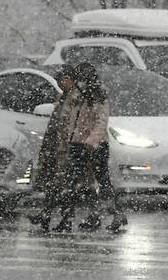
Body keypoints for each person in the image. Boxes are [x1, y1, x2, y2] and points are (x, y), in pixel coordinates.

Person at [55, 62, 127, 233]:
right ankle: (72, 217)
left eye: (81, 80)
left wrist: (90, 141)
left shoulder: (99, 99)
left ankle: (116, 214)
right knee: (75, 184)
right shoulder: (79, 98)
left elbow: (101, 124)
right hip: (77, 145)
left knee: (102, 182)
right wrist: (68, 140)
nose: (78, 84)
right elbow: (72, 122)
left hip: (96, 146)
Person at [29, 65, 79, 231]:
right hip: (54, 146)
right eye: (60, 80)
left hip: (66, 148)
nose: (61, 83)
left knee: (63, 186)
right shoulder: (63, 98)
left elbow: (72, 124)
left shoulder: (76, 99)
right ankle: (48, 215)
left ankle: (56, 217)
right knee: (54, 184)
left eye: (64, 80)